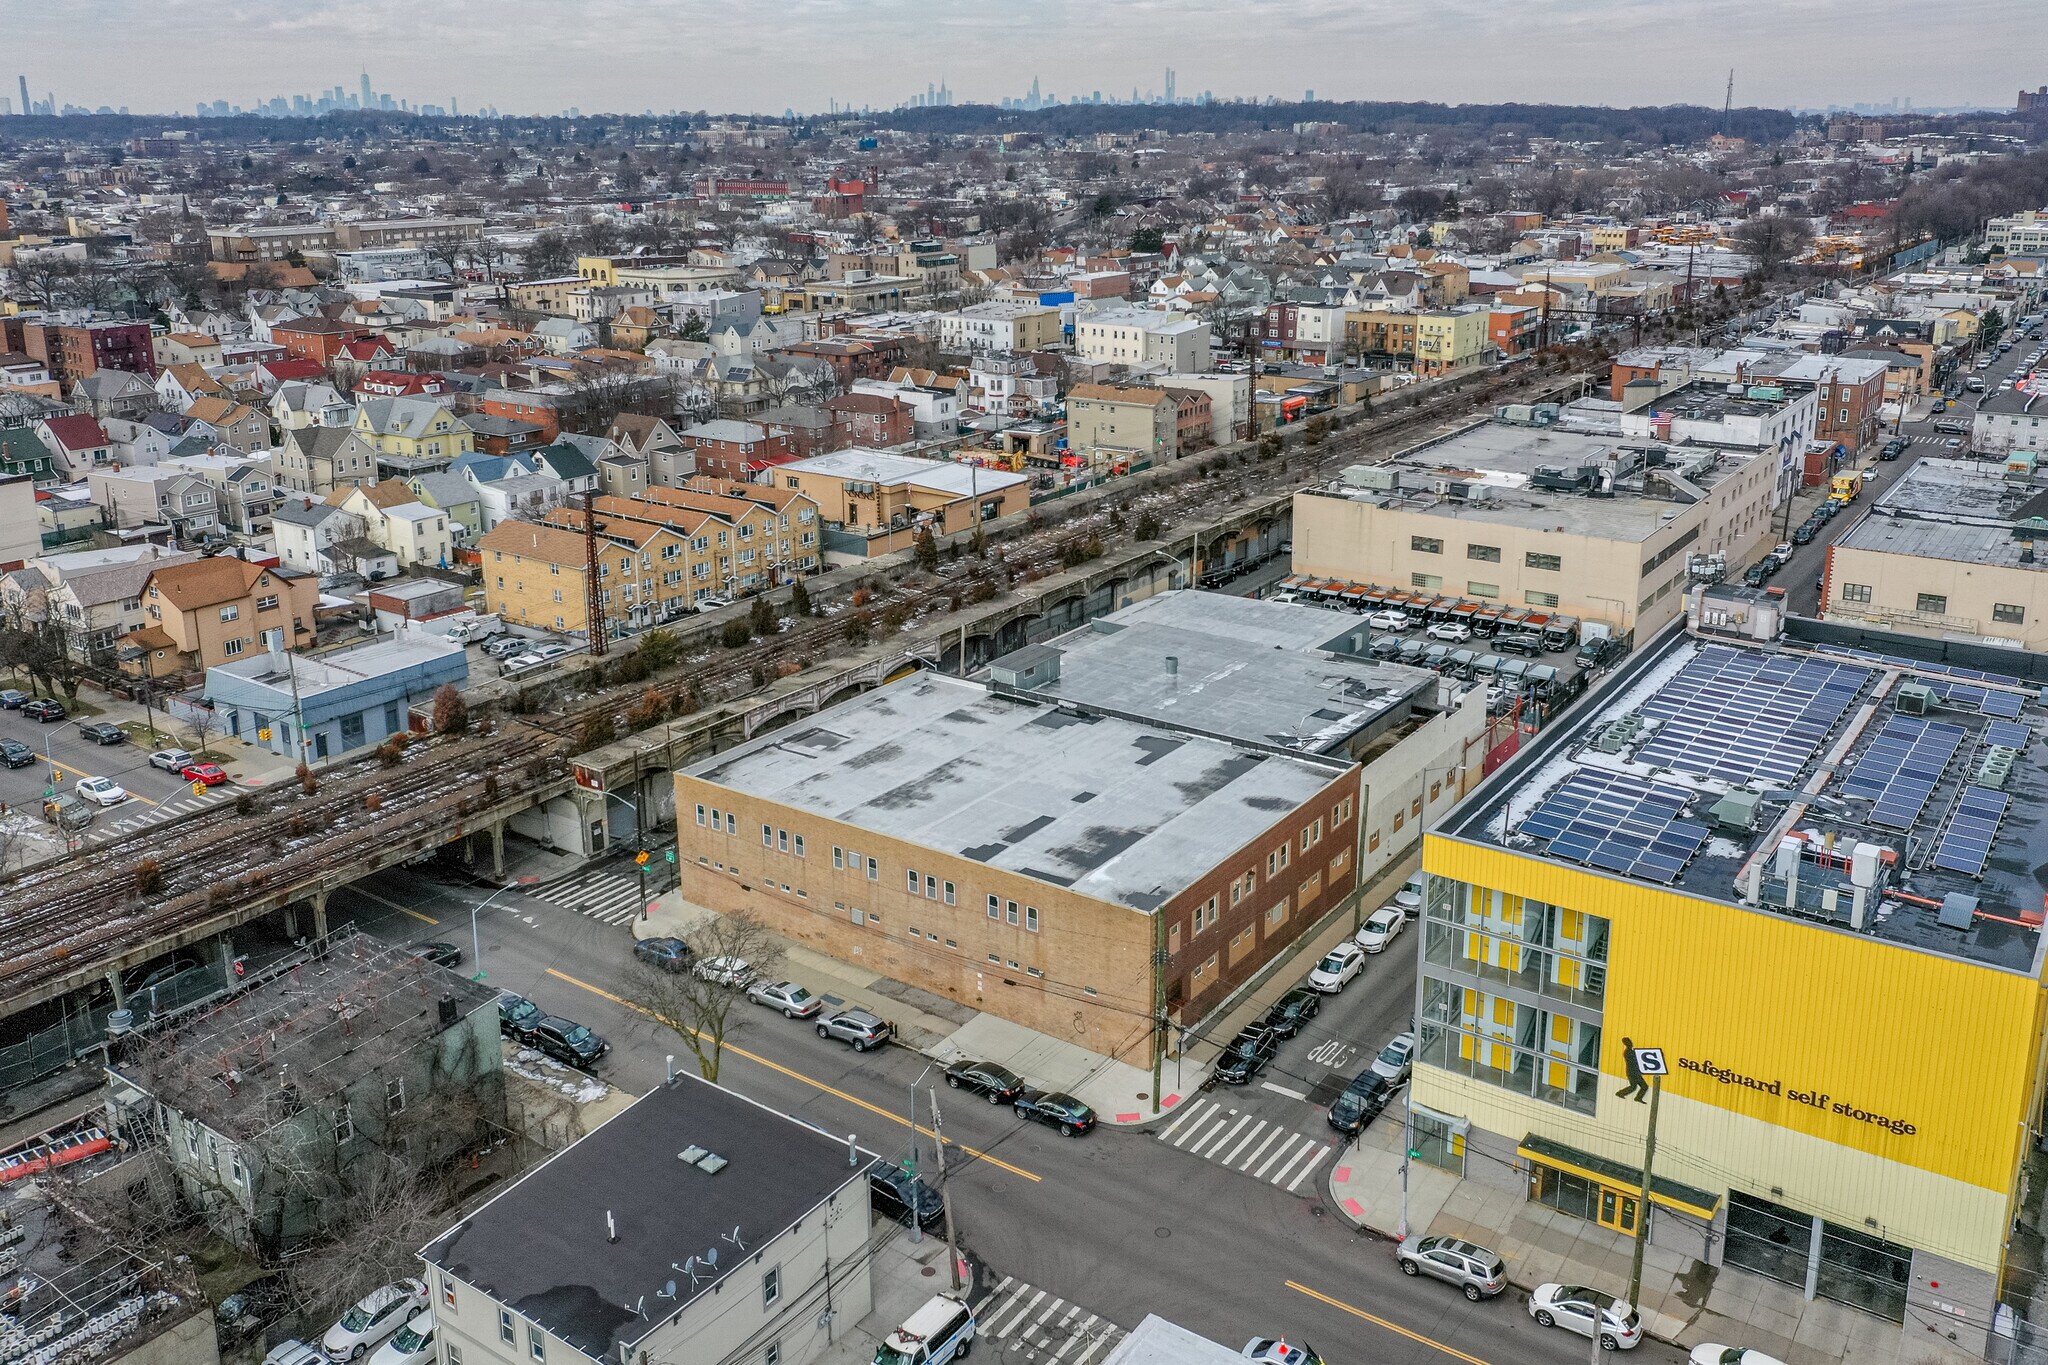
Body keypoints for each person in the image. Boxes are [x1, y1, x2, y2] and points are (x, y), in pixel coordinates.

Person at [1616, 1036, 1650, 1103]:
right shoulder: (1629, 1052)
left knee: (1639, 1086)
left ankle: (1636, 1097)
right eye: (1629, 1042)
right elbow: (1635, 1061)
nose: (1631, 1043)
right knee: (1638, 1086)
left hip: (1634, 1072)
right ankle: (1620, 1093)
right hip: (1633, 1073)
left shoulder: (1630, 1051)